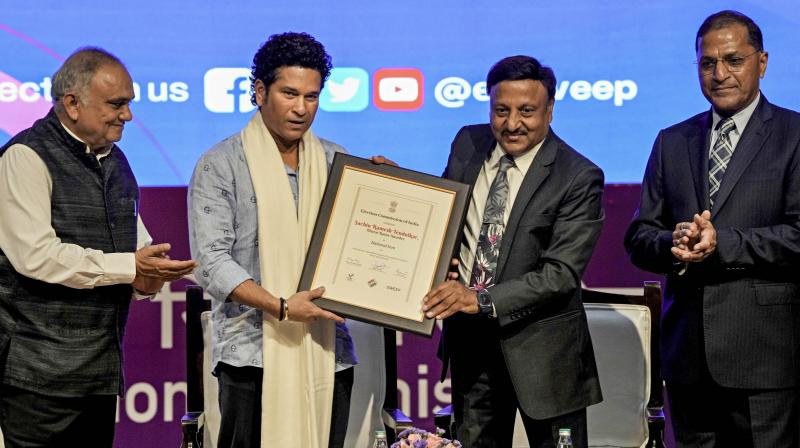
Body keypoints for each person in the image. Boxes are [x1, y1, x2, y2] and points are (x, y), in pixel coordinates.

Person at [188, 32, 392, 448]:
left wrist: (392, 193)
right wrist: (282, 307)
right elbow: (211, 261)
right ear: (260, 91)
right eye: (289, 93)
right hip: (250, 356)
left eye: (312, 97)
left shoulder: (338, 162)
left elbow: (365, 247)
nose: (301, 108)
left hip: (327, 354)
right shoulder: (220, 164)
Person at [0, 47, 196, 448]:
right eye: (117, 104)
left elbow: (135, 246)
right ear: (72, 103)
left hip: (99, 375)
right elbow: (36, 257)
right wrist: (132, 267)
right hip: (37, 379)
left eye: (128, 104)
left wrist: (151, 275)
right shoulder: (24, 157)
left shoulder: (116, 159)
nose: (127, 115)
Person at [624, 10, 800, 447]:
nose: (719, 74)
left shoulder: (794, 135)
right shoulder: (672, 140)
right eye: (707, 63)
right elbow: (639, 235)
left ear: (761, 62)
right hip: (688, 359)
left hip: (764, 357)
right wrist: (674, 241)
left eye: (733, 60)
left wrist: (724, 243)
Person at [423, 55, 604, 448]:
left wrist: (479, 298)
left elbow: (560, 275)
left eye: (527, 111)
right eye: (500, 110)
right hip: (471, 347)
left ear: (550, 110)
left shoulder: (577, 176)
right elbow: (440, 211)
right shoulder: (467, 143)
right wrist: (390, 185)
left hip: (543, 354)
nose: (512, 124)